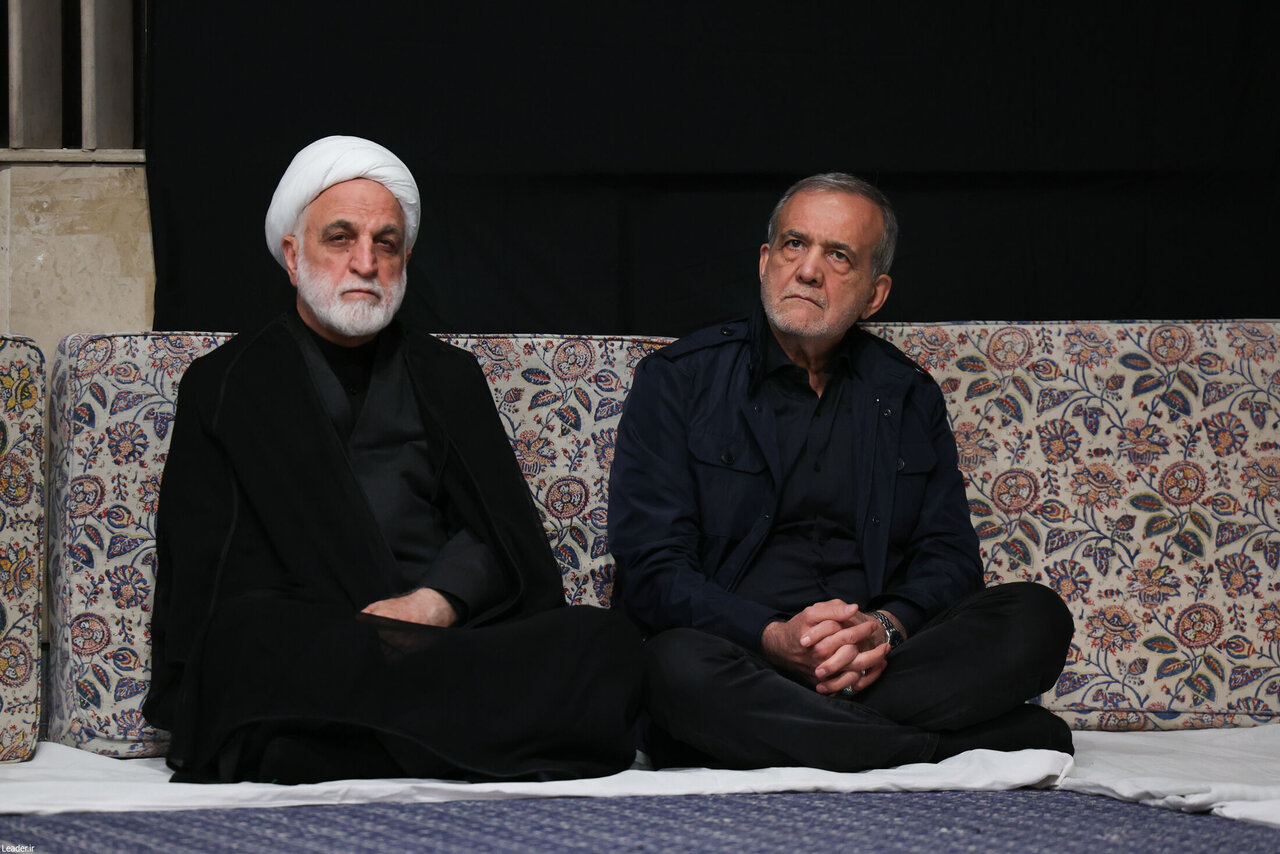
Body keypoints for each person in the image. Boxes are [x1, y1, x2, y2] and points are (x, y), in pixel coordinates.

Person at [143, 136, 642, 784]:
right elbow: (207, 576)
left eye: (386, 243)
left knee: (605, 645)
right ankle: (451, 741)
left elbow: (501, 536)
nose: (365, 262)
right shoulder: (226, 384)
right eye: (340, 238)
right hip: (317, 641)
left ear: (405, 259)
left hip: (440, 641)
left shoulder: (449, 377)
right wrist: (355, 629)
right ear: (292, 255)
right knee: (247, 643)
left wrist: (434, 604)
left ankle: (327, 751)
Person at [608, 173, 1074, 770]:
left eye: (838, 256)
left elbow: (951, 558)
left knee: (1035, 618)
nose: (807, 270)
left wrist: (882, 630)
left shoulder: (908, 394)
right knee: (672, 667)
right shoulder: (677, 381)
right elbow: (652, 569)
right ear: (764, 261)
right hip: (740, 654)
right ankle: (945, 747)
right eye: (794, 244)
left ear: (874, 294)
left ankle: (778, 735)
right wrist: (774, 637)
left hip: (876, 665)